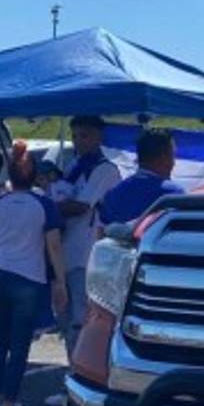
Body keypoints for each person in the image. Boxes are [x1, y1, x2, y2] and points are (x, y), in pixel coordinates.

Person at [0, 142, 67, 406]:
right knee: (19, 345)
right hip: (29, 277)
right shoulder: (44, 204)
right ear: (34, 177)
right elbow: (53, 246)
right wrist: (60, 282)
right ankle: (10, 405)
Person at [56, 116, 121, 356]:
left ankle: (80, 373)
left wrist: (48, 207)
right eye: (74, 136)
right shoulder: (74, 167)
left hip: (87, 253)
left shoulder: (105, 169)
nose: (77, 141)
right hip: (65, 251)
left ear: (98, 137)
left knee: (80, 318)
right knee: (65, 316)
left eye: (84, 136)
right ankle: (72, 369)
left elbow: (82, 206)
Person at [99, 128, 185, 227]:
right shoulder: (174, 194)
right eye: (173, 155)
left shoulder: (112, 194)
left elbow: (101, 234)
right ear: (164, 157)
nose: (173, 163)